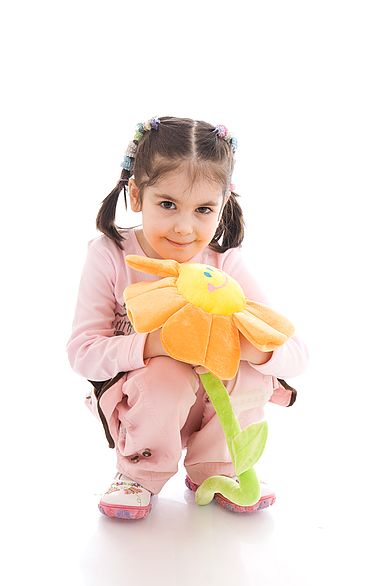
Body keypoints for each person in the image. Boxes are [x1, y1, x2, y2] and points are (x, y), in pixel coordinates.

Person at [66, 115, 308, 520]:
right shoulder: (109, 255)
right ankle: (138, 475)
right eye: (167, 204)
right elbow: (83, 352)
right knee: (168, 373)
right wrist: (154, 345)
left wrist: (254, 349)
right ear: (136, 194)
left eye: (203, 209)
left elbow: (296, 353)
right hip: (140, 404)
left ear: (222, 206)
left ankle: (217, 467)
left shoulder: (224, 264)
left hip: (210, 407)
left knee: (248, 371)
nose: (184, 227)